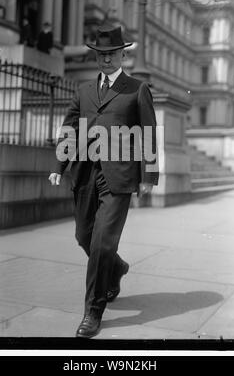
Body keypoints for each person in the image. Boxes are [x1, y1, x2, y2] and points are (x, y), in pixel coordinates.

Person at [48, 26, 159, 338]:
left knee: (101, 243)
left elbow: (148, 132)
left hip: (119, 178)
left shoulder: (137, 89)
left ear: (123, 54)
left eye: (111, 54)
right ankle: (117, 267)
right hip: (85, 174)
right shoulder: (84, 90)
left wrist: (148, 174)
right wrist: (60, 163)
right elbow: (69, 128)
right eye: (101, 54)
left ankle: (93, 312)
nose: (106, 59)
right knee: (84, 236)